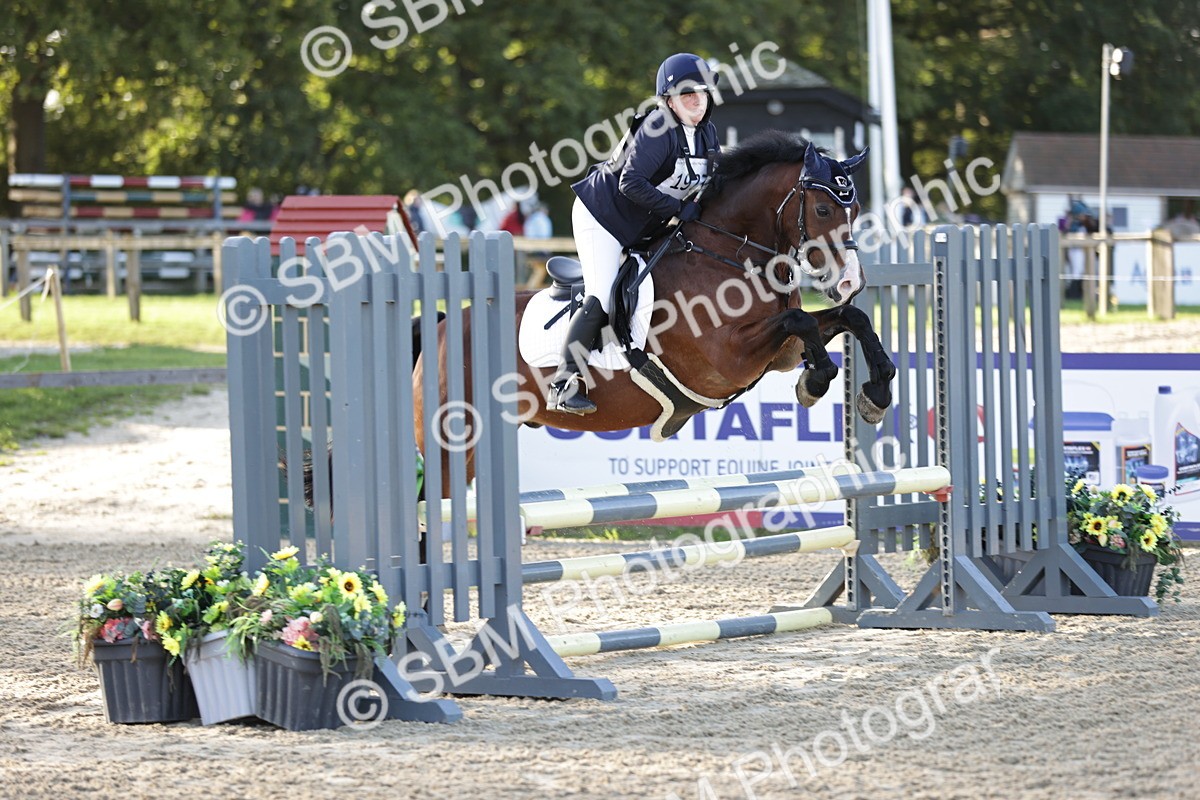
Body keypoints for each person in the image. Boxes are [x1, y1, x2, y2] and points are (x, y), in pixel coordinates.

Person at [547, 52, 721, 415]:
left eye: (702, 92)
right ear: (669, 99)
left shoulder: (707, 133)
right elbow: (631, 183)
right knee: (602, 294)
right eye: (688, 93)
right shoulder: (659, 127)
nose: (697, 100)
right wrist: (677, 210)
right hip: (603, 218)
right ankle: (563, 382)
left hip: (645, 224)